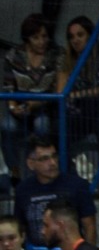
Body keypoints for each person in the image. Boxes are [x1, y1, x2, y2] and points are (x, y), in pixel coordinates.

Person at [56, 12, 99, 194]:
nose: (75, 40)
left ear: (91, 35)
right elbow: (61, 93)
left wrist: (79, 94)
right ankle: (73, 174)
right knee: (59, 125)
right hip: (82, 110)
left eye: (80, 35)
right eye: (71, 37)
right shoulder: (68, 59)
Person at [2, 18, 59, 190]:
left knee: (42, 125)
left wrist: (32, 105)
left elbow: (55, 90)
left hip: (46, 106)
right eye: (36, 37)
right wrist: (13, 107)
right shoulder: (13, 56)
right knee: (6, 127)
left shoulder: (56, 54)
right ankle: (15, 173)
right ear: (27, 38)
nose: (41, 41)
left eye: (44, 36)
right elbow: (8, 86)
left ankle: (42, 174)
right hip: (19, 106)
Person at [14, 136, 96, 249]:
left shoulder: (77, 185)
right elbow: (19, 227)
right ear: (31, 164)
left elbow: (89, 226)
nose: (52, 163)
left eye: (54, 156)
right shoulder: (22, 190)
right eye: (44, 159)